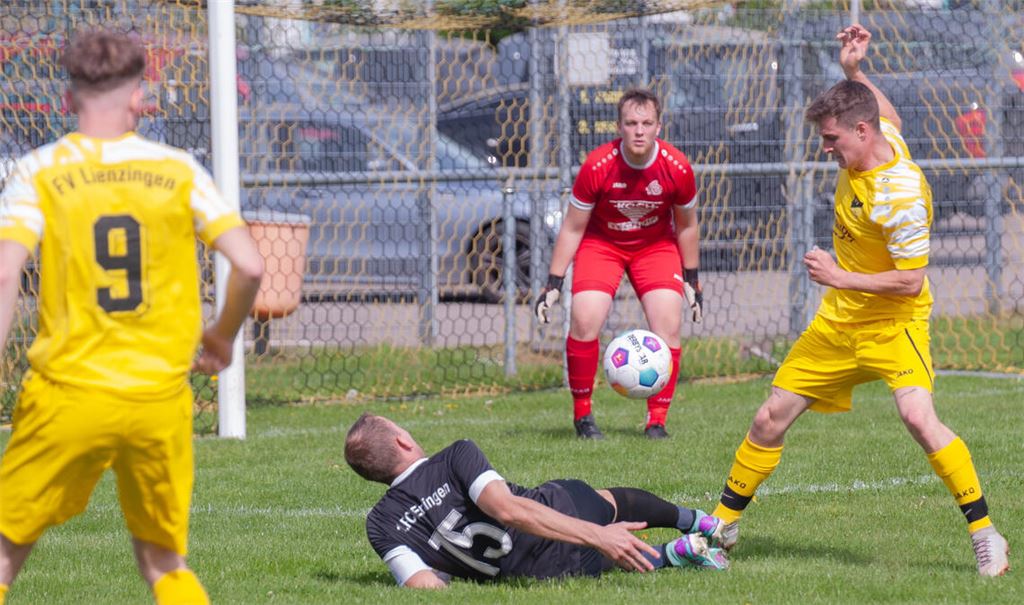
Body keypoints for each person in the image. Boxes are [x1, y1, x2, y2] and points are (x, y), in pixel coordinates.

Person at [707, 25, 1009, 577]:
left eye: (832, 139)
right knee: (769, 417)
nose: (826, 149)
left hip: (893, 322)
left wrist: (840, 277)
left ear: (861, 132)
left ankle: (985, 533)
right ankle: (720, 528)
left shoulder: (900, 196)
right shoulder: (877, 134)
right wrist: (853, 73)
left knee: (918, 417)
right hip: (838, 324)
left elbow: (911, 282)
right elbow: (885, 109)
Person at [0, 29, 265, 604]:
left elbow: (3, 275)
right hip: (156, 398)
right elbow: (248, 265)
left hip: (67, 391)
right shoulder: (178, 170)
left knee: (3, 550)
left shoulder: (39, 170)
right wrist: (220, 337)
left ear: (67, 99)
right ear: (140, 99)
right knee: (165, 562)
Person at [344, 413, 729, 588]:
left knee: (601, 559)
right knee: (612, 500)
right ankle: (699, 522)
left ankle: (676, 553)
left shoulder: (379, 524)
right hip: (566, 512)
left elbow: (423, 586)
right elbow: (508, 509)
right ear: (403, 441)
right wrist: (597, 534)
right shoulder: (455, 456)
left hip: (543, 577)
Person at [534, 88, 702, 440]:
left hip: (655, 247)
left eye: (646, 123)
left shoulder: (677, 167)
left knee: (668, 324)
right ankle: (583, 417)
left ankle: (657, 421)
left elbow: (687, 225)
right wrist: (553, 282)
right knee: (584, 318)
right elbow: (573, 227)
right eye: (630, 123)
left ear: (659, 126)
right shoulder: (598, 165)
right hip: (602, 245)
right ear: (619, 127)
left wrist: (693, 279)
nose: (639, 130)